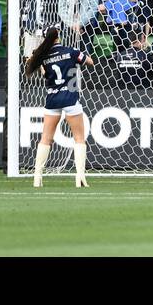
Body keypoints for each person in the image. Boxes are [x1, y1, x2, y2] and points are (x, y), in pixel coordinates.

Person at [26, 27, 94, 188]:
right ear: (59, 37)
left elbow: (43, 73)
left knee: (45, 139)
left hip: (53, 100)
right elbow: (90, 62)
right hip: (70, 98)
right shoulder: (71, 51)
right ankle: (80, 177)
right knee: (79, 138)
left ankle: (37, 178)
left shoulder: (43, 56)